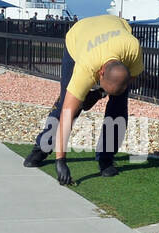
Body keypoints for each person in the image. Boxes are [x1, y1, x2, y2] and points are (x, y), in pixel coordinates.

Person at [23, 14, 144, 184]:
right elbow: (67, 112)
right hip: (78, 37)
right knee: (69, 102)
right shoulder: (86, 67)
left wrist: (99, 93)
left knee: (119, 106)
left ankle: (106, 158)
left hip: (115, 28)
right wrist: (61, 161)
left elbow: (133, 77)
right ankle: (43, 146)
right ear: (100, 73)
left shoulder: (133, 49)